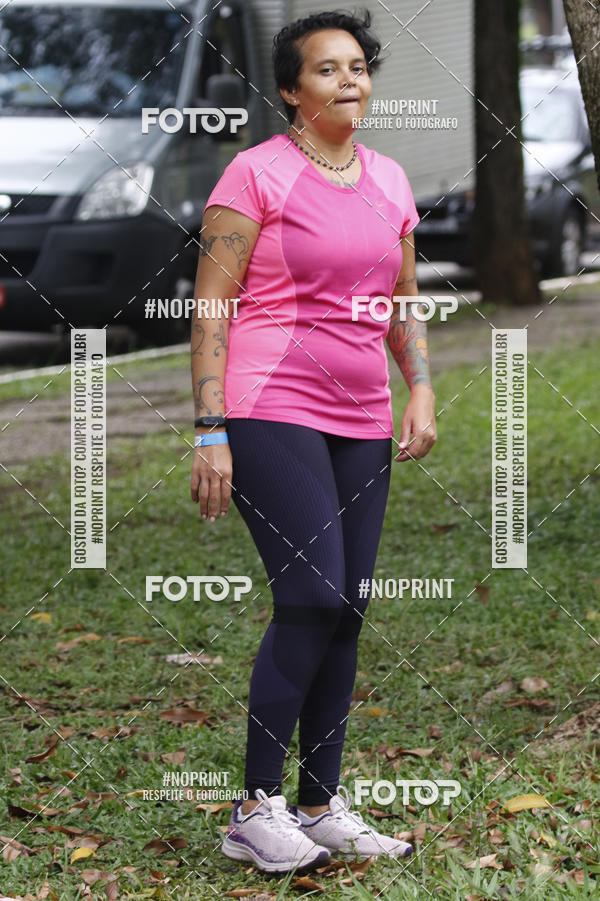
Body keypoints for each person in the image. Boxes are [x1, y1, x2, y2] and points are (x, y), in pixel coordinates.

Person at [189, 8, 437, 876]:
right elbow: (212, 304)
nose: (350, 80)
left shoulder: (392, 180)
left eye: (359, 66)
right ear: (291, 90)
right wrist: (210, 426)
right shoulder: (253, 174)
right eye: (327, 70)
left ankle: (320, 804)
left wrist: (422, 388)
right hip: (268, 399)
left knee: (351, 604)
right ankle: (254, 806)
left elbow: (401, 299)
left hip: (362, 410)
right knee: (314, 595)